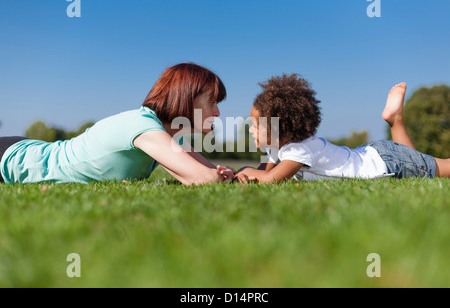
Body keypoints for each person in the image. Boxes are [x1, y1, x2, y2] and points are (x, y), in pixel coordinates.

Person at [0, 63, 234, 185]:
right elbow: (203, 177)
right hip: (13, 159)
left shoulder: (174, 136)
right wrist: (220, 175)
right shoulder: (142, 126)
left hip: (28, 148)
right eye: (211, 101)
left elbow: (201, 175)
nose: (217, 111)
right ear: (185, 98)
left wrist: (227, 174)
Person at [234, 74, 449, 183]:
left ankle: (396, 120)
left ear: (280, 129)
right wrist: (236, 175)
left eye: (256, 125)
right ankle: (396, 120)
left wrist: (241, 174)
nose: (251, 130)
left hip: (385, 163)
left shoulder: (299, 150)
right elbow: (262, 172)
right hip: (375, 153)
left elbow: (269, 180)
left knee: (440, 169)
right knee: (415, 160)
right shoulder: (277, 148)